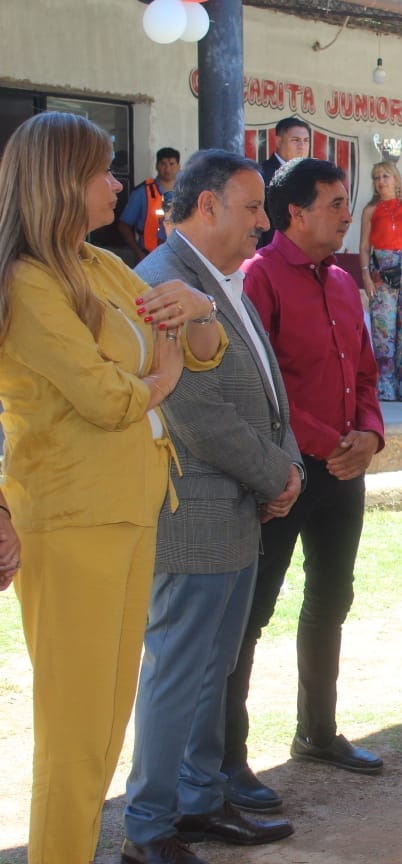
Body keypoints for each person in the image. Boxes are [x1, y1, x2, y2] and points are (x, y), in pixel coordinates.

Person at [0, 111, 223, 864]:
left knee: (106, 721)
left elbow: (195, 342)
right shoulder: (30, 281)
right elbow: (105, 398)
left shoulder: (97, 265)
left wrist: (199, 312)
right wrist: (158, 372)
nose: (117, 184)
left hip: (129, 507)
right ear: (63, 182)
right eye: (103, 171)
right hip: (70, 520)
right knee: (75, 730)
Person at [124, 150, 299, 864]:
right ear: (206, 208)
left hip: (231, 505)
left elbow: (250, 390)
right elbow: (199, 412)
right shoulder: (165, 281)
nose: (265, 220)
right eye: (254, 207)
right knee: (178, 669)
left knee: (212, 667)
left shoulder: (217, 280)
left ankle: (197, 802)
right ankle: (149, 826)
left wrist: (273, 473)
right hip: (192, 510)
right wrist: (278, 475)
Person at [225, 158, 386, 810]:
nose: (348, 213)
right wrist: (329, 443)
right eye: (336, 202)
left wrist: (370, 434)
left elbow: (368, 371)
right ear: (295, 212)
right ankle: (227, 760)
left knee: (331, 599)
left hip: (344, 469)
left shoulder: (345, 281)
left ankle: (317, 732)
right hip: (284, 472)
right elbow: (263, 386)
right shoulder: (259, 278)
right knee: (252, 614)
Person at [359, 161, 402, 402]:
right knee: (382, 331)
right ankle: (385, 386)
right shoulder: (370, 209)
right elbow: (365, 246)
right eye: (376, 177)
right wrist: (366, 275)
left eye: (386, 176)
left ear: (397, 179)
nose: (381, 181)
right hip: (381, 271)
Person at [117, 147, 181, 263]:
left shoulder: (187, 191)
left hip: (179, 258)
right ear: (157, 165)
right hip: (149, 257)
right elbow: (124, 225)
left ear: (178, 166)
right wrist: (138, 253)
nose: (167, 169)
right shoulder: (142, 192)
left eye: (172, 164)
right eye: (163, 164)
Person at [257, 117, 311, 249]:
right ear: (278, 141)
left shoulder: (312, 177)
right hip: (269, 257)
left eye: (306, 141)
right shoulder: (260, 174)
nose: (301, 146)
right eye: (295, 140)